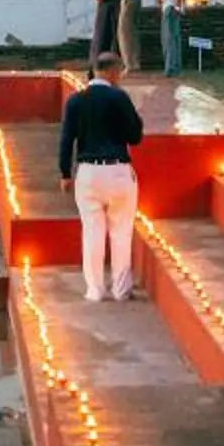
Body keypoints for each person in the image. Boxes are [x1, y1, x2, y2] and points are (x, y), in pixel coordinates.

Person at [59, 55, 146, 300]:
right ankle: (120, 289)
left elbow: (67, 139)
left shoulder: (76, 100)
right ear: (113, 71)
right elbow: (135, 136)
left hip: (88, 171)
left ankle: (95, 289)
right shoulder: (119, 98)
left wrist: (65, 172)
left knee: (92, 231)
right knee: (121, 231)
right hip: (118, 170)